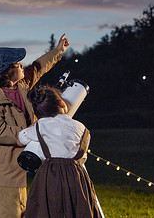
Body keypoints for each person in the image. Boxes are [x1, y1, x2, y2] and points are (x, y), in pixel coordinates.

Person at [0, 34, 69, 218]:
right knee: (7, 212)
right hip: (5, 170)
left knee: (24, 211)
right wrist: (27, 134)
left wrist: (57, 51)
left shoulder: (20, 85)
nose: (22, 65)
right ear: (4, 72)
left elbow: (37, 67)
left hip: (23, 164)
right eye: (16, 64)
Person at [19, 86, 101, 217]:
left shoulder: (42, 125)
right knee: (78, 207)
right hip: (76, 175)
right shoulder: (81, 127)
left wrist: (34, 126)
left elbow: (22, 137)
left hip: (50, 175)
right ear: (62, 103)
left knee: (48, 207)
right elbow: (83, 152)